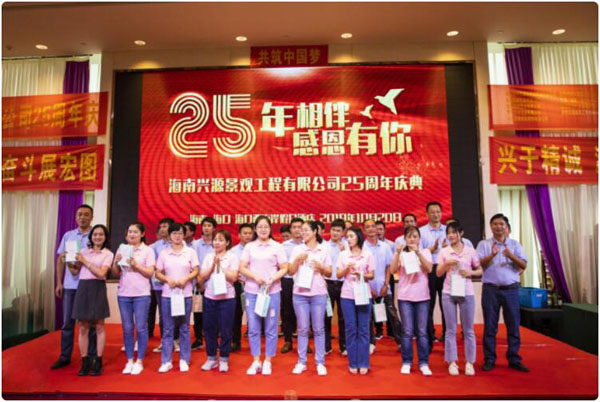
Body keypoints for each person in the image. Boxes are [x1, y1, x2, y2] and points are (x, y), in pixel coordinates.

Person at [477, 214, 529, 372]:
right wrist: (492, 255)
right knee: (490, 326)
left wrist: (511, 255)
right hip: (490, 290)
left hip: (511, 290)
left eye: (501, 224)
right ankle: (489, 359)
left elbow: (524, 265)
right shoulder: (484, 244)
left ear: (506, 227)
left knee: (513, 325)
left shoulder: (515, 244)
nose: (498, 226)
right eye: (494, 224)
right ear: (490, 226)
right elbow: (477, 264)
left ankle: (514, 359)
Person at [239, 215, 289, 375]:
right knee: (253, 328)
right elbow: (242, 267)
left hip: (271, 292)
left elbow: (285, 267)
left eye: (266, 227)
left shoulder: (277, 246)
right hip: (252, 291)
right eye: (260, 227)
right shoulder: (249, 247)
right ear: (255, 229)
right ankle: (256, 360)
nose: (263, 229)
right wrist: (255, 277)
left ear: (270, 228)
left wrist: (272, 279)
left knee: (271, 327)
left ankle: (267, 361)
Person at [51, 204, 97, 369]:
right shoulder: (68, 235)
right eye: (79, 214)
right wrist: (59, 282)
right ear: (76, 217)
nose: (82, 217)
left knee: (91, 323)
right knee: (67, 323)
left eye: (86, 214)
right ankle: (65, 356)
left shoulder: (96, 235)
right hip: (70, 285)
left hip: (88, 285)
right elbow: (60, 260)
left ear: (91, 217)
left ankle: (92, 357)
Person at [437, 222, 483, 376]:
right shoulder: (444, 251)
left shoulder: (470, 251)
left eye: (454, 232)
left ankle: (470, 362)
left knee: (468, 330)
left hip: (466, 292)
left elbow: (480, 270)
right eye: (448, 233)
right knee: (450, 330)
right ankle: (452, 361)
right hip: (448, 292)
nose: (451, 235)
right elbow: (438, 273)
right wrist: (446, 264)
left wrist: (470, 273)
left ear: (461, 233)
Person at [111, 222, 156, 375]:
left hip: (141, 294)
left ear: (142, 234)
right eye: (130, 232)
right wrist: (116, 261)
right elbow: (115, 272)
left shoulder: (148, 250)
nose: (132, 234)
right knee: (127, 328)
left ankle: (139, 361)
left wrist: (136, 265)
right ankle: (129, 360)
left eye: (135, 232)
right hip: (124, 293)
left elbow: (150, 273)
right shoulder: (122, 248)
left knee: (141, 327)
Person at [288, 221, 332, 376]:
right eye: (302, 230)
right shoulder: (297, 249)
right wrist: (297, 260)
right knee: (302, 328)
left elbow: (329, 272)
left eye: (306, 230)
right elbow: (291, 271)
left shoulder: (323, 249)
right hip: (300, 294)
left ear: (315, 231)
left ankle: (320, 362)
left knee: (319, 329)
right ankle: (302, 362)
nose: (303, 232)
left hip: (318, 293)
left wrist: (321, 267)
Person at [155, 223, 199, 373]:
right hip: (168, 295)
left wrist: (185, 279)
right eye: (174, 233)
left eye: (180, 233)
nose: (177, 236)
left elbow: (196, 270)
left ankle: (184, 360)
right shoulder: (164, 253)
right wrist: (167, 279)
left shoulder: (190, 252)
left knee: (184, 328)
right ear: (169, 235)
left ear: (184, 235)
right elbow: (157, 272)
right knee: (168, 328)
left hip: (185, 295)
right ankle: (166, 361)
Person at [390, 226, 433, 376]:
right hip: (405, 296)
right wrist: (397, 253)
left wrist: (418, 253)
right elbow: (392, 270)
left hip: (422, 296)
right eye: (409, 236)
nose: (412, 239)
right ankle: (407, 362)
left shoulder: (425, 252)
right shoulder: (401, 253)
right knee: (407, 331)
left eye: (415, 236)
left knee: (422, 332)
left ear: (419, 238)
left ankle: (424, 363)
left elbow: (429, 268)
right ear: (405, 239)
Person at [71, 224, 113, 376]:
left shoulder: (108, 254)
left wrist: (85, 261)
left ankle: (98, 361)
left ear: (105, 237)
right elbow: (74, 271)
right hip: (83, 287)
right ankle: (85, 362)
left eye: (101, 234)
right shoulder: (83, 251)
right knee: (83, 327)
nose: (98, 237)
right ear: (91, 236)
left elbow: (101, 273)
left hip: (98, 287)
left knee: (100, 326)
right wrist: (68, 260)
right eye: (95, 234)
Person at [199, 230, 240, 372]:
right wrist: (212, 265)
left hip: (227, 299)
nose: (217, 242)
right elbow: (202, 276)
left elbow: (233, 277)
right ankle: (211, 359)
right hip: (210, 297)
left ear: (227, 243)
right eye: (215, 240)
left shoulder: (232, 257)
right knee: (209, 329)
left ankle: (223, 359)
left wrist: (220, 266)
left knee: (226, 330)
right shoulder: (208, 256)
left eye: (221, 240)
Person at [337, 227, 375, 375]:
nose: (348, 239)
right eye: (347, 237)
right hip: (347, 295)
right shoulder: (343, 255)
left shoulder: (368, 254)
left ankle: (364, 362)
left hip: (363, 294)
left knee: (364, 329)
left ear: (358, 237)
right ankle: (353, 362)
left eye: (351, 236)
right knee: (351, 329)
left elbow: (371, 275)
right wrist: (346, 269)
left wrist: (362, 275)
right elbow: (338, 274)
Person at [363, 219, 401, 353]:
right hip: (367, 288)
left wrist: (386, 284)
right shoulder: (362, 247)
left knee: (393, 315)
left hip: (384, 286)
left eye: (373, 226)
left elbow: (388, 267)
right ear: (364, 231)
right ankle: (371, 343)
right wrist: (369, 288)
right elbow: (362, 270)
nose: (371, 229)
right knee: (368, 318)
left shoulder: (385, 246)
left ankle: (400, 342)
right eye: (367, 227)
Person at [419, 201, 447, 348]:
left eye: (438, 212)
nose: (436, 214)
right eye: (432, 212)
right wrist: (432, 249)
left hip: (445, 269)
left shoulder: (448, 231)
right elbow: (418, 253)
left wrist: (445, 250)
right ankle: (429, 337)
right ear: (427, 214)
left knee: (446, 304)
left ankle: (447, 336)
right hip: (429, 271)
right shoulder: (421, 232)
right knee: (428, 305)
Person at [192, 216, 217, 350]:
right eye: (204, 226)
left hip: (214, 284)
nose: (206, 228)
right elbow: (193, 264)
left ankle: (213, 340)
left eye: (209, 226)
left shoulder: (217, 243)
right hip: (198, 283)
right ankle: (198, 339)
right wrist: (199, 282)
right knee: (198, 312)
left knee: (213, 314)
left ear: (214, 228)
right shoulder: (196, 245)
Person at [149, 217, 173, 353]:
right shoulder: (154, 246)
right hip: (159, 285)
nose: (162, 229)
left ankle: (175, 339)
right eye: (161, 226)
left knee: (177, 313)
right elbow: (152, 265)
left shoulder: (180, 244)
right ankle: (165, 341)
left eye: (165, 226)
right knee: (164, 315)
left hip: (176, 284)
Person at [281, 217, 304, 354]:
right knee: (287, 311)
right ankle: (288, 340)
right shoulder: (284, 246)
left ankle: (303, 342)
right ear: (290, 229)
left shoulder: (308, 244)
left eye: (299, 227)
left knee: (303, 312)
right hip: (288, 280)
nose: (297, 230)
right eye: (294, 227)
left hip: (304, 281)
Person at [325, 219, 348, 355]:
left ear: (343, 232)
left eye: (338, 231)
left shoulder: (348, 246)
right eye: (333, 230)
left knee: (343, 316)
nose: (335, 233)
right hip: (327, 284)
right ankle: (326, 346)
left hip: (343, 284)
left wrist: (344, 252)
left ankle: (344, 346)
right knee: (326, 315)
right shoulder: (324, 246)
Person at [230, 223, 254, 351]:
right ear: (239, 235)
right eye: (245, 233)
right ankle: (236, 341)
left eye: (250, 233)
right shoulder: (233, 251)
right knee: (236, 314)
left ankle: (255, 342)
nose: (247, 236)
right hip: (238, 285)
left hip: (254, 284)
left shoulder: (256, 249)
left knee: (254, 314)